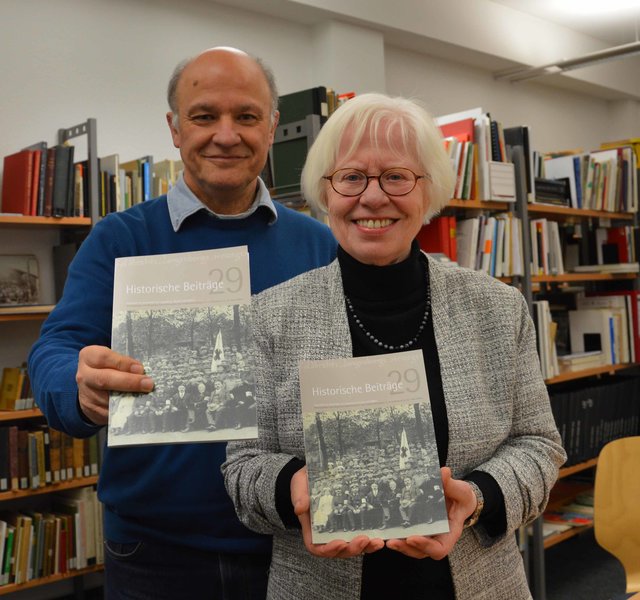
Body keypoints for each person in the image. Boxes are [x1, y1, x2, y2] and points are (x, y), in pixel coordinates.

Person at [223, 92, 566, 599]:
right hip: (319, 585)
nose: (373, 197)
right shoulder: (268, 318)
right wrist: (292, 487)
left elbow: (540, 446)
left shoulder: (498, 308)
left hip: (477, 582)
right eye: (352, 177)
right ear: (327, 190)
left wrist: (475, 498)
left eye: (396, 177)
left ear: (428, 191)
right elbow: (242, 466)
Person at [27, 47, 336, 600]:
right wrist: (76, 382)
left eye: (245, 116)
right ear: (174, 128)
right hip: (154, 554)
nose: (225, 134)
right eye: (203, 116)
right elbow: (56, 349)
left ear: (270, 128)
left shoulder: (319, 244)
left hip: (294, 541)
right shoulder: (119, 239)